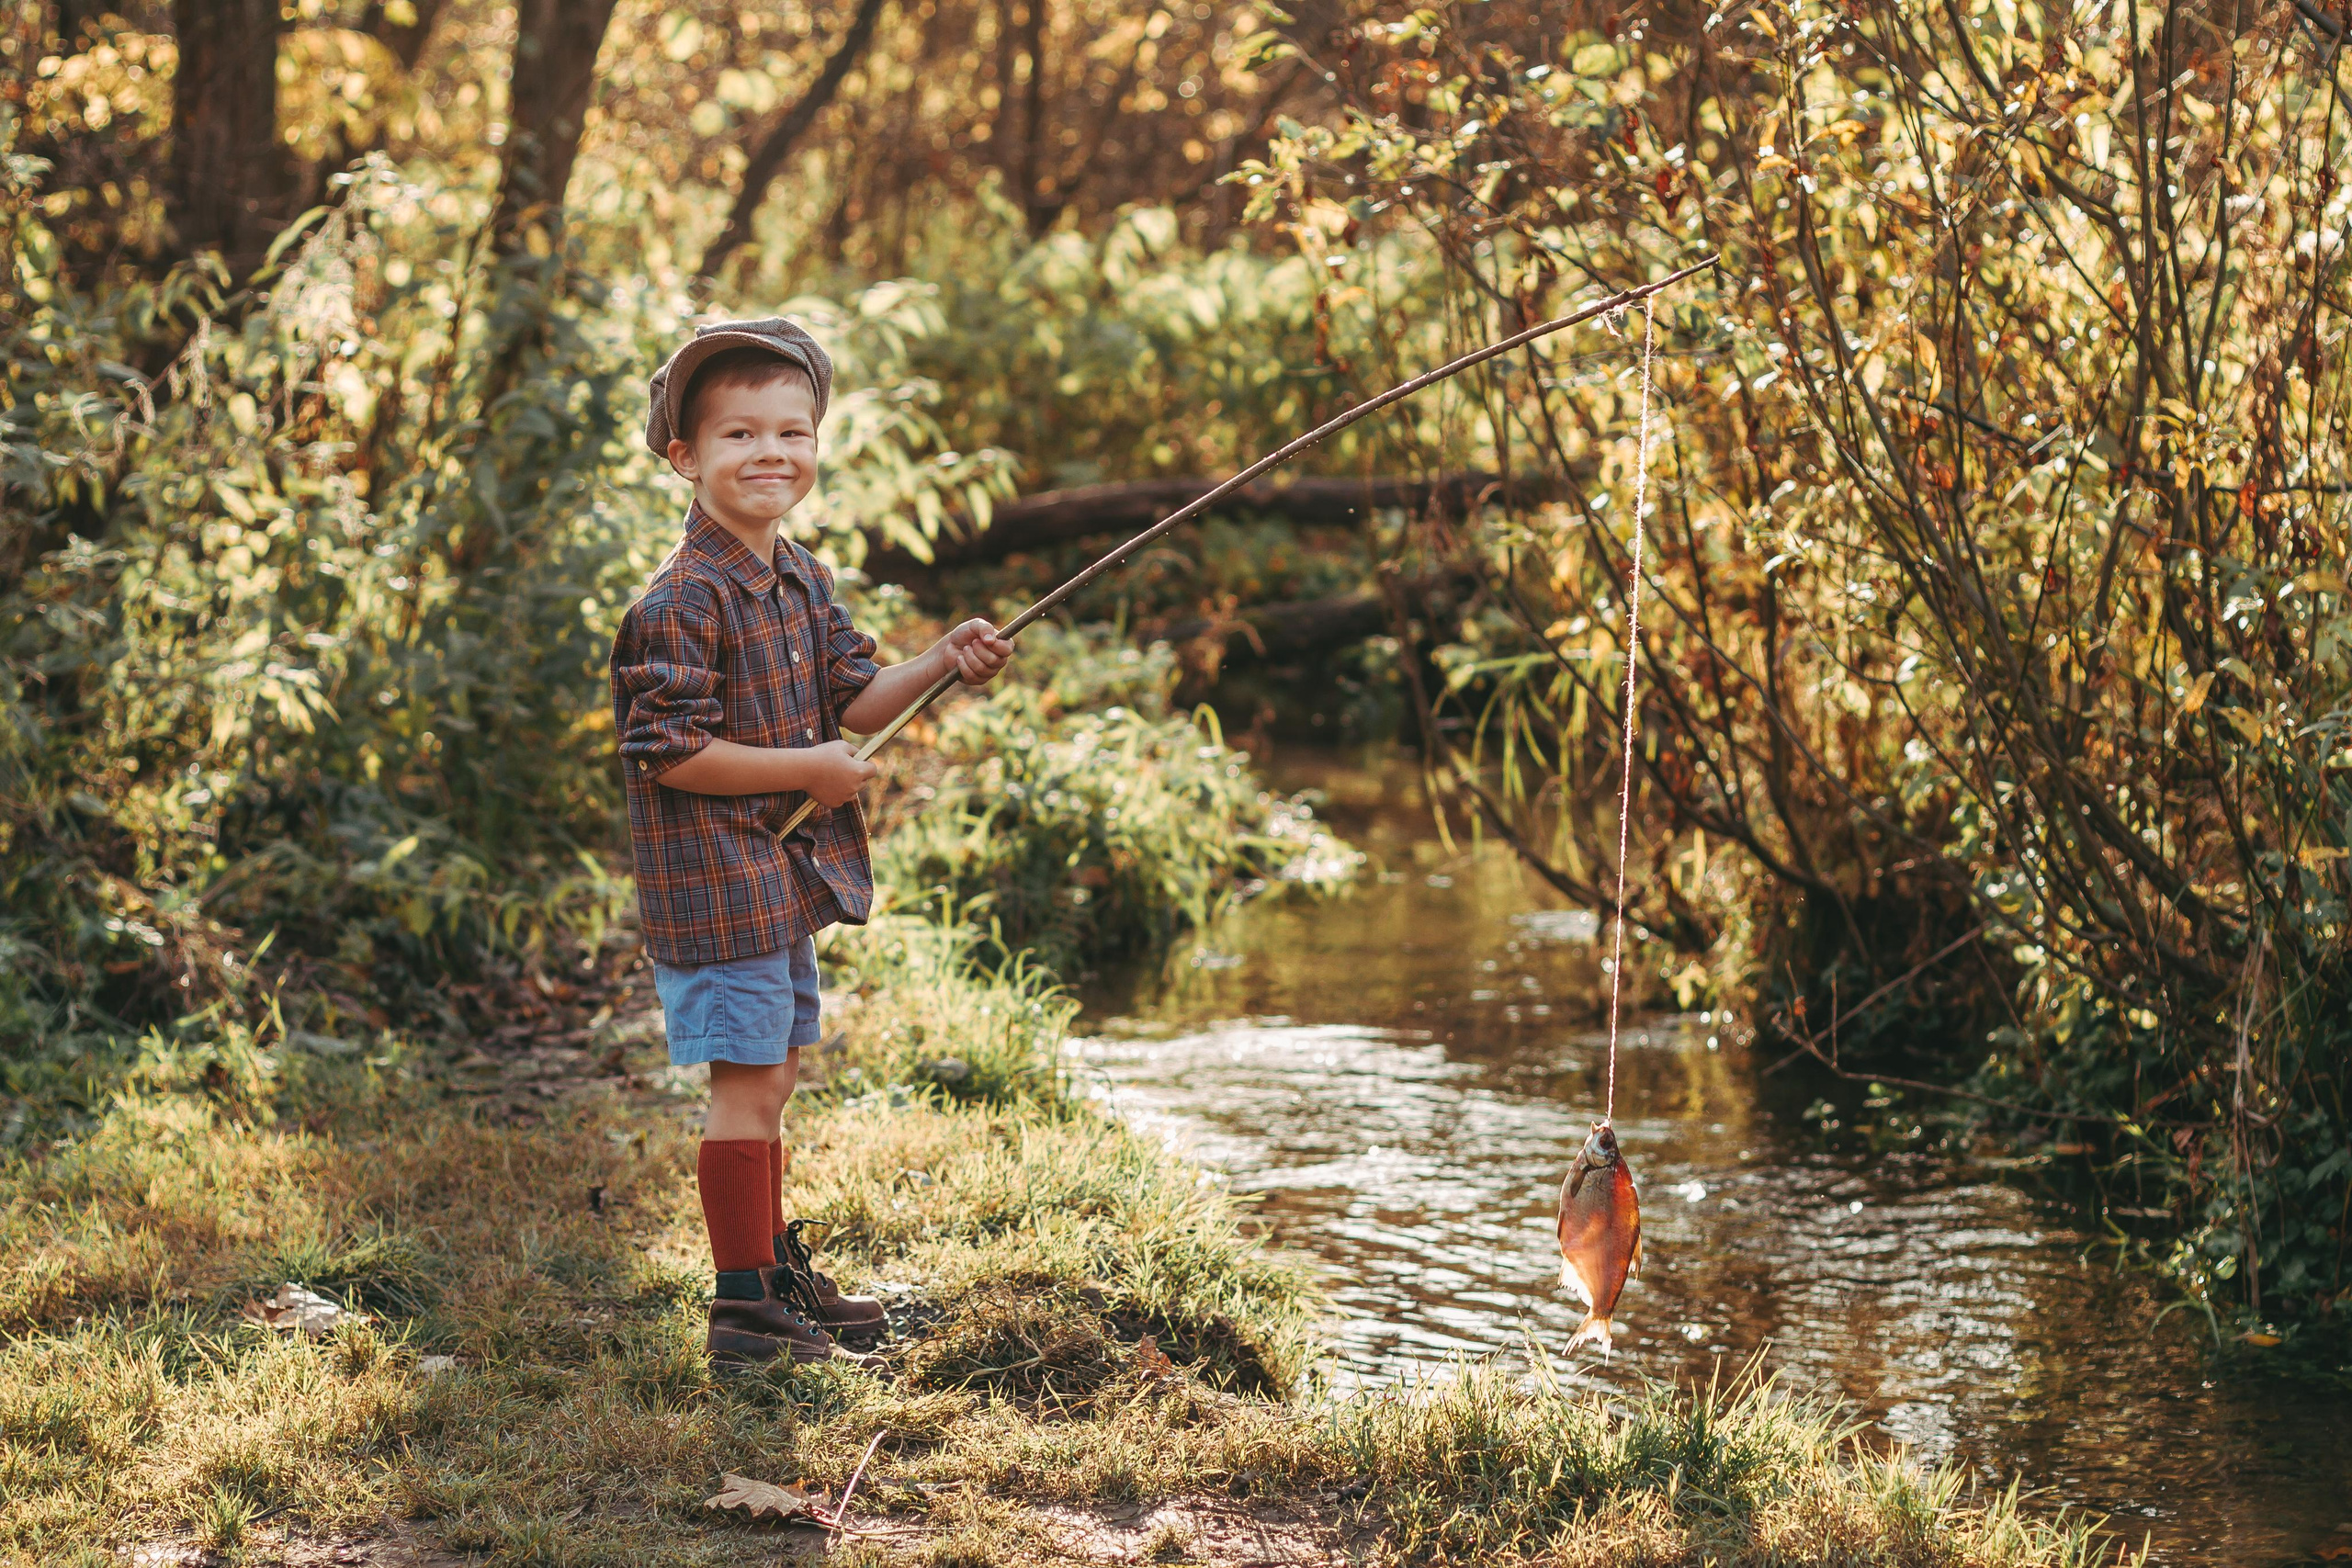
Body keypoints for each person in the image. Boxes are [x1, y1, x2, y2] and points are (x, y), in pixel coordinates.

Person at [609, 318, 1013, 1371]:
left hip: (774, 880)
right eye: (739, 435)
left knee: (775, 1073)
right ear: (684, 457)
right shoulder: (680, 598)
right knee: (744, 1083)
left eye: (792, 432)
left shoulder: (801, 575)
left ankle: (771, 1272)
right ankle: (741, 1310)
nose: (771, 454)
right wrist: (808, 768)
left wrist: (939, 661)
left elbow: (858, 698)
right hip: (716, 884)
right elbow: (669, 752)